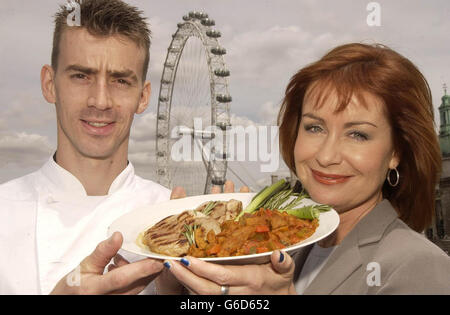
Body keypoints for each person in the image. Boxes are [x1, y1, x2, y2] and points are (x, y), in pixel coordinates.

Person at [159, 43, 450, 294]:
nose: (326, 155)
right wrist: (180, 285)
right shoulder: (284, 248)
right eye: (314, 127)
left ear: (396, 153)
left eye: (357, 134)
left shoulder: (419, 266)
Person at [0, 0, 171, 295]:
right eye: (81, 76)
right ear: (50, 84)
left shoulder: (175, 217)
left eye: (120, 80)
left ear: (143, 97)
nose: (100, 101)